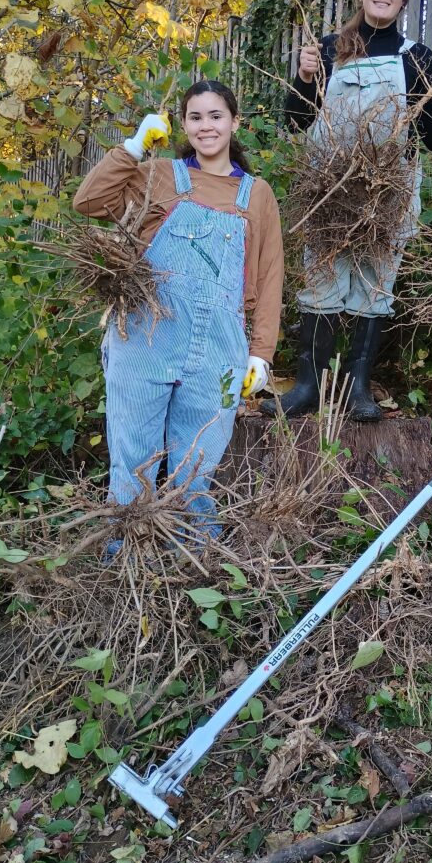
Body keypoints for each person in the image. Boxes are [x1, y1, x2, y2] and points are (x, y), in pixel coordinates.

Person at [74, 80, 283, 552]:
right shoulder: (159, 174)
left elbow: (271, 278)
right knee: (133, 467)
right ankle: (121, 576)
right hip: (145, 338)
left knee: (197, 473)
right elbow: (88, 202)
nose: (206, 126)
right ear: (183, 126)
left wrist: (261, 353)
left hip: (219, 351)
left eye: (215, 116)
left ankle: (190, 575)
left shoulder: (258, 194)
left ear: (234, 122)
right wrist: (131, 147)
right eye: (195, 117)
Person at [260, 0, 432, 422]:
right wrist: (306, 77)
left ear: (403, 0)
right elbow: (297, 122)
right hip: (329, 188)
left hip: (386, 193)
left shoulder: (416, 57)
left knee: (375, 288)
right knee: (320, 284)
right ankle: (309, 385)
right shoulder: (332, 49)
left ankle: (357, 390)